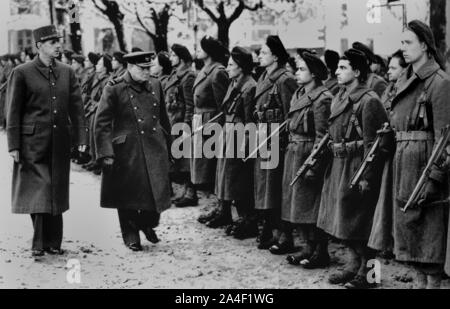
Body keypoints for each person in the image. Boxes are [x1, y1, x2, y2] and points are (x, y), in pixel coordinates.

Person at [6, 25, 88, 257]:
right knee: (40, 190)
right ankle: (39, 242)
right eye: (52, 43)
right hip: (32, 143)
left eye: (58, 42)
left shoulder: (67, 72)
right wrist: (14, 144)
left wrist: (81, 137)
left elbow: (77, 108)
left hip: (60, 142)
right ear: (39, 46)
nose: (58, 46)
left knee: (56, 191)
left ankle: (54, 243)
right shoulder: (22, 72)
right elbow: (13, 110)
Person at [316, 48, 389, 289]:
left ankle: (371, 273)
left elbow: (375, 144)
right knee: (343, 219)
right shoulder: (339, 96)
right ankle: (353, 264)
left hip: (358, 166)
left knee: (362, 220)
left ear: (357, 72)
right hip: (339, 164)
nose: (336, 72)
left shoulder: (369, 101)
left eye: (343, 68)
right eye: (337, 67)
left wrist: (367, 176)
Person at [390, 20, 450, 289]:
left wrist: (435, 177)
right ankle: (419, 282)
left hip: (426, 166)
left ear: (425, 45)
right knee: (412, 240)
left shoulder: (440, 83)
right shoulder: (407, 80)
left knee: (429, 239)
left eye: (408, 42)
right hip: (405, 165)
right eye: (401, 42)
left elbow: (445, 139)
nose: (402, 48)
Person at [94, 51, 172, 252]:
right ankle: (131, 234)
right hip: (126, 149)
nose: (147, 72)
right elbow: (101, 123)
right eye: (142, 68)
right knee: (127, 194)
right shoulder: (114, 88)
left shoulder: (156, 84)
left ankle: (146, 222)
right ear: (130, 67)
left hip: (154, 146)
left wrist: (171, 146)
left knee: (156, 192)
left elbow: (164, 118)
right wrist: (106, 153)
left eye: (149, 68)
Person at [272, 52, 332, 268]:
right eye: (297, 69)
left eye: (301, 69)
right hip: (294, 152)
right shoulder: (299, 93)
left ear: (314, 73)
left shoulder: (323, 98)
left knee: (312, 205)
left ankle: (320, 250)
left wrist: (314, 166)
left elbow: (323, 136)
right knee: (296, 205)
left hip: (308, 154)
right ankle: (307, 247)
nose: (297, 73)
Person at [253, 35, 298, 250]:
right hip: (263, 137)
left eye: (264, 53)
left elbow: (292, 115)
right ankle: (270, 230)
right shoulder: (264, 77)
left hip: (277, 141)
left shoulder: (285, 79)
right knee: (264, 188)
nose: (259, 56)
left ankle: (285, 236)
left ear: (276, 57)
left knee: (277, 190)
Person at [213, 46, 258, 238]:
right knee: (228, 180)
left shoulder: (249, 87)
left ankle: (248, 221)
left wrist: (245, 146)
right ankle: (240, 219)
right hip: (229, 134)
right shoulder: (234, 83)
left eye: (231, 64)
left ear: (241, 67)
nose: (227, 67)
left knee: (240, 183)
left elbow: (250, 121)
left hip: (239, 137)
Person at [191, 36, 230, 225]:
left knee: (215, 167)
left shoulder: (218, 72)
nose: (198, 51)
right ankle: (218, 207)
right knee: (207, 169)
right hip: (202, 122)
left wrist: (217, 128)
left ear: (209, 51)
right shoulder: (205, 70)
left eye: (201, 48)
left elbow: (223, 105)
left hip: (212, 124)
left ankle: (224, 209)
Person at [166, 44, 198, 208]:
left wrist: (186, 127)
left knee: (187, 161)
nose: (170, 58)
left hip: (182, 124)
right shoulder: (176, 75)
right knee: (180, 161)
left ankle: (191, 194)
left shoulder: (188, 77)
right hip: (174, 121)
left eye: (173, 55)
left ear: (181, 57)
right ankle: (185, 192)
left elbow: (190, 105)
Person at [84, 54, 113, 175]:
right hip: (93, 108)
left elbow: (102, 98)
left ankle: (99, 161)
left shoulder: (106, 79)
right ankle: (93, 158)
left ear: (105, 67)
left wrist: (93, 107)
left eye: (100, 64)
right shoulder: (97, 77)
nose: (97, 65)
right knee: (92, 134)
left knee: (98, 136)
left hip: (99, 110)